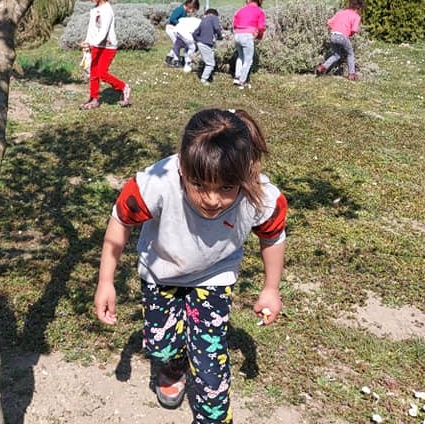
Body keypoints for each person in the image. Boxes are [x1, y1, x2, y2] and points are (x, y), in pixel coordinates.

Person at [94, 108, 287, 423]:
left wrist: (270, 288)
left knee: (210, 363)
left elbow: (273, 236)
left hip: (214, 278)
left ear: (246, 173)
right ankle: (173, 365)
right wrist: (106, 281)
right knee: (160, 345)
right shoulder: (155, 184)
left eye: (226, 188)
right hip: (161, 275)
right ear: (182, 167)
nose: (212, 199)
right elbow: (120, 221)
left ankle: (213, 417)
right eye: (199, 185)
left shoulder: (261, 197)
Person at [80, 0, 131, 109]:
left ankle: (123, 87)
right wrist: (87, 42)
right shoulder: (94, 10)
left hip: (108, 46)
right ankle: (94, 99)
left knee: (101, 73)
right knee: (93, 72)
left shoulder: (107, 10)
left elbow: (103, 32)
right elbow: (91, 28)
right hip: (96, 45)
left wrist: (91, 43)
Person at [316, 0, 364, 81]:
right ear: (359, 7)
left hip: (333, 35)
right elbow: (354, 30)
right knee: (350, 54)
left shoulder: (340, 12)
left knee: (336, 55)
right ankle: (351, 74)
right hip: (343, 37)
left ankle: (322, 67)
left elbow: (329, 23)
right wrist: (347, 35)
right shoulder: (356, 16)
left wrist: (337, 29)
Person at [231, 0, 266, 89]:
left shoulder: (241, 10)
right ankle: (242, 81)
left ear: (248, 0)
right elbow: (261, 27)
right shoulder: (260, 11)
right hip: (248, 36)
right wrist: (259, 36)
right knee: (248, 60)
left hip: (237, 35)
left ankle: (237, 77)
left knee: (240, 57)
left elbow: (234, 24)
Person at [165, 0, 200, 66]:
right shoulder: (180, 9)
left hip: (176, 29)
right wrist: (180, 25)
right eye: (192, 10)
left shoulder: (184, 11)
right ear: (190, 6)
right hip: (171, 28)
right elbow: (172, 18)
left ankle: (169, 57)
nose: (192, 12)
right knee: (177, 44)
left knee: (179, 44)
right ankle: (176, 60)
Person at [193, 8, 223, 84]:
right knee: (210, 64)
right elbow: (217, 28)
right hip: (206, 43)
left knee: (209, 59)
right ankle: (204, 79)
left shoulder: (203, 20)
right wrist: (220, 36)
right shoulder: (214, 17)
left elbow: (194, 33)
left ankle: (206, 77)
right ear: (214, 14)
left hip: (201, 43)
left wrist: (199, 40)